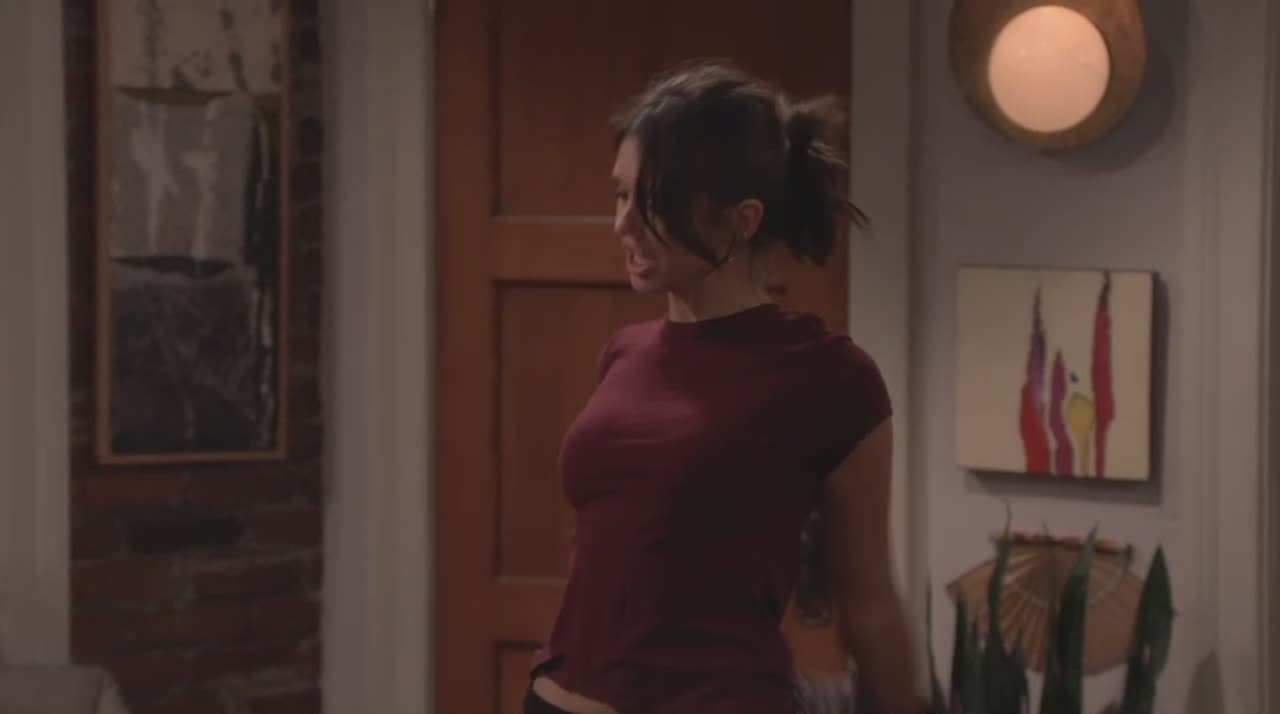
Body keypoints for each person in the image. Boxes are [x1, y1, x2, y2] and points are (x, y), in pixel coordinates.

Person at [525, 60, 926, 714]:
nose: (623, 224)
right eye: (620, 196)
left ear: (742, 219)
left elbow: (870, 603)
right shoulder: (624, 354)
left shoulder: (831, 378)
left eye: (653, 203)